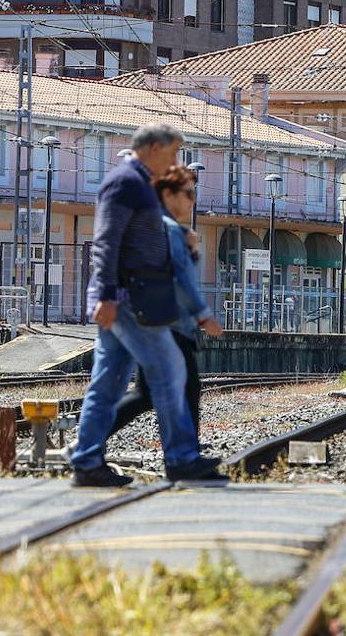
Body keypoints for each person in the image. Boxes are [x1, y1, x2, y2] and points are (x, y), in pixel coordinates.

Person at [69, 123, 223, 487]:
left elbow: (136, 237)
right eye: (172, 153)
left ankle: (87, 460)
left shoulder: (139, 185)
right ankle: (182, 457)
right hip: (128, 299)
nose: (174, 161)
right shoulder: (126, 182)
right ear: (154, 147)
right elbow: (106, 241)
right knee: (170, 370)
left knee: (108, 383)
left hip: (128, 297)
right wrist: (105, 295)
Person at [109, 165, 223, 439]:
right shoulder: (170, 230)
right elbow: (181, 281)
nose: (192, 200)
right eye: (187, 193)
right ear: (168, 194)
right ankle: (188, 458)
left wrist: (191, 251)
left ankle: (87, 440)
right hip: (169, 325)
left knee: (150, 394)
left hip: (151, 322)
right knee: (186, 389)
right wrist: (204, 315)